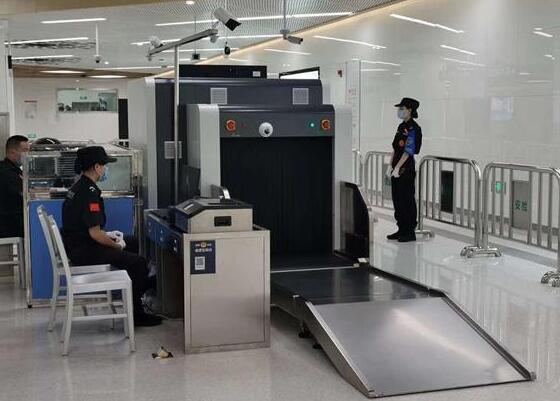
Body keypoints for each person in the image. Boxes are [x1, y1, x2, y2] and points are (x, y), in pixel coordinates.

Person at [62, 146, 161, 326]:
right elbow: (95, 234)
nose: (106, 169)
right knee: (138, 263)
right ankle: (137, 314)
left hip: (78, 244)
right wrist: (116, 246)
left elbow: (86, 227)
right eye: (104, 165)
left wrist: (109, 236)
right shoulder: (89, 192)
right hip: (85, 250)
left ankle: (134, 292)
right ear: (97, 167)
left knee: (132, 242)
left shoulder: (79, 187)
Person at [386, 98, 422, 243]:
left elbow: (409, 151)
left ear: (409, 110)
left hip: (406, 168)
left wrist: (398, 167)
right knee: (397, 199)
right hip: (396, 167)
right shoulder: (401, 127)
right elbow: (395, 148)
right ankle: (401, 228)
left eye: (402, 108)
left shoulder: (414, 128)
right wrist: (390, 165)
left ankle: (409, 231)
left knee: (407, 199)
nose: (399, 111)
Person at [0, 135, 30, 238]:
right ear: (12, 152)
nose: (28, 154)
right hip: (9, 226)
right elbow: (23, 193)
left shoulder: (15, 170)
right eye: (25, 150)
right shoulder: (6, 172)